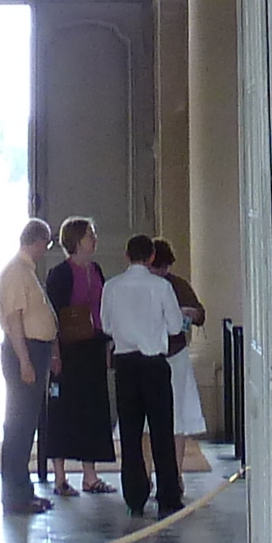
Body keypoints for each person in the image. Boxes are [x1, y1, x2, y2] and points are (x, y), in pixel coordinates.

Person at [100, 232, 188, 516]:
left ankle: (135, 496)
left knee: (130, 432)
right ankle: (168, 495)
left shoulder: (112, 287)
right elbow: (175, 327)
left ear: (126, 256)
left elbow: (106, 326)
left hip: (125, 364)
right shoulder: (160, 287)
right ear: (151, 257)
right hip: (153, 363)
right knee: (162, 431)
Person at [42, 216, 115, 499]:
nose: (94, 239)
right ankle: (60, 477)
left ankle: (90, 475)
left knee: (93, 411)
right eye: (89, 235)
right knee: (63, 411)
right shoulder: (60, 274)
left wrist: (107, 344)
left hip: (93, 348)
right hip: (68, 351)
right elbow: (53, 317)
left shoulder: (95, 269)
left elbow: (103, 309)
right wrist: (55, 354)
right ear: (75, 240)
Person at [0, 217, 58, 516]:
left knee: (25, 425)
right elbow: (15, 320)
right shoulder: (17, 272)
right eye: (47, 243)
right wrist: (25, 361)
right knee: (19, 426)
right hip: (26, 350)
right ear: (38, 241)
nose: (47, 249)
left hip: (34, 350)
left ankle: (24, 490)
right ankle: (15, 494)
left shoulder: (25, 272)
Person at [149, 240, 210, 441]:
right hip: (149, 354)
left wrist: (192, 313)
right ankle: (147, 471)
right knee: (148, 419)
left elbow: (200, 315)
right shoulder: (142, 286)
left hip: (175, 353)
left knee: (179, 415)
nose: (162, 272)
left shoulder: (177, 284)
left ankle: (176, 471)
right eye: (158, 267)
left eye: (165, 267)